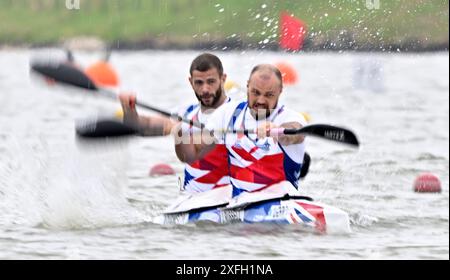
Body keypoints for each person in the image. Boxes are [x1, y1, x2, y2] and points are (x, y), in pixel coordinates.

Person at [174, 64, 307, 197]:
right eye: (255, 92)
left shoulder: (291, 117)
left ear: (280, 90)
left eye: (269, 95)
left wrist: (278, 131)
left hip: (283, 202)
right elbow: (193, 151)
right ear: (247, 86)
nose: (261, 100)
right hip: (238, 206)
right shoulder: (228, 113)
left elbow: (297, 133)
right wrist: (181, 133)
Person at [119, 53, 232, 193]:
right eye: (199, 83)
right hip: (194, 201)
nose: (205, 89)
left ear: (223, 79)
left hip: (231, 199)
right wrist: (128, 109)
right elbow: (143, 127)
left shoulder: (238, 113)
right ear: (191, 82)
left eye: (211, 81)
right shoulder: (185, 114)